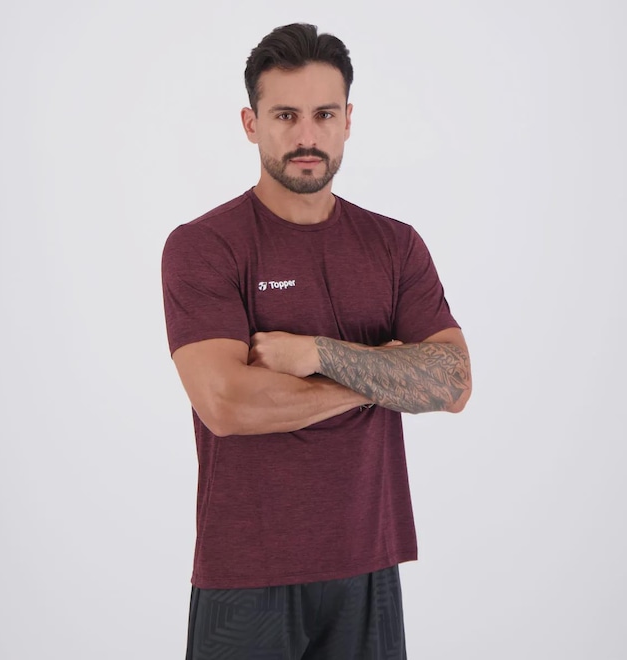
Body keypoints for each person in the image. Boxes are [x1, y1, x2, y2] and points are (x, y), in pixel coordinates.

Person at [162, 22, 472, 660]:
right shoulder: (204, 246)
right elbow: (227, 404)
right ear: (251, 124)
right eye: (285, 116)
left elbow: (453, 383)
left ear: (349, 120)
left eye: (324, 114)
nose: (307, 136)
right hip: (246, 574)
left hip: (370, 566)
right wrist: (383, 372)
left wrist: (319, 355)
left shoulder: (395, 245)